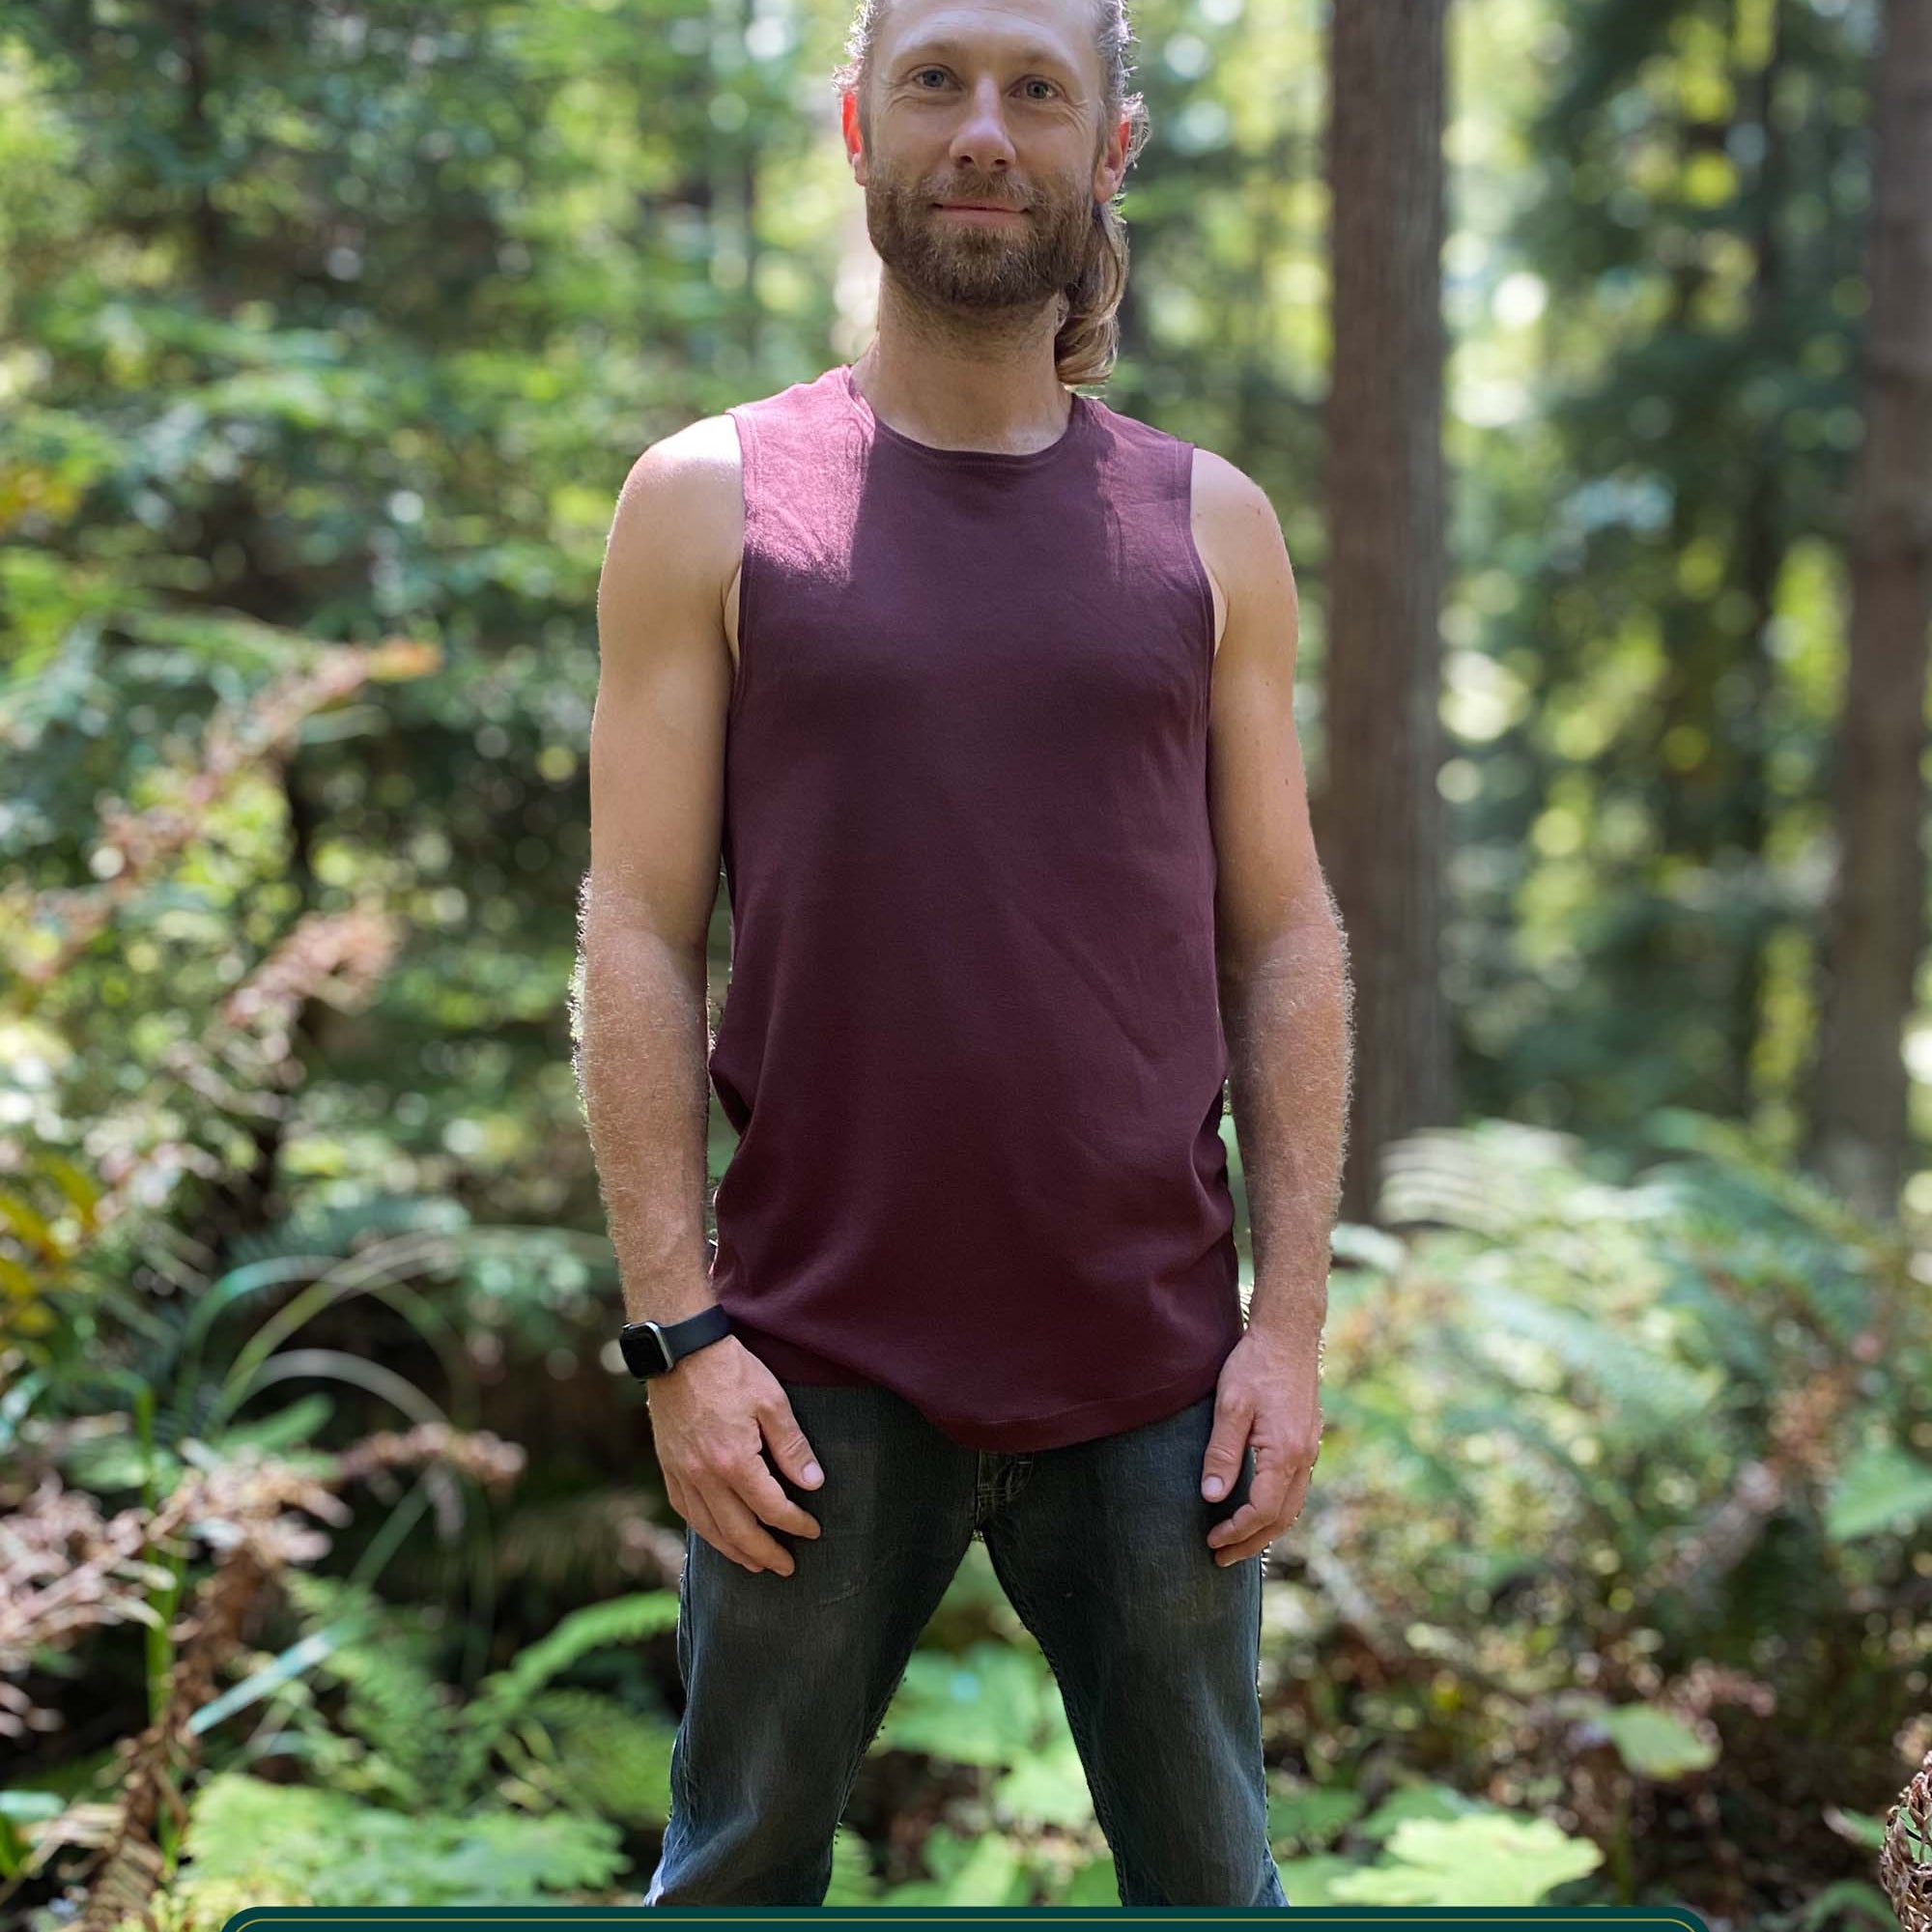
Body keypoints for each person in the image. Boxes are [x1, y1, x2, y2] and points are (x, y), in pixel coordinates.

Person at [576, 0, 1352, 1903]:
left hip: (1157, 1372)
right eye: (935, 81)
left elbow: (1283, 934)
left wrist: (1290, 1323)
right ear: (855, 122)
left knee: (1214, 1896)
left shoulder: (1209, 528)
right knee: (734, 1881)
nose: (981, 132)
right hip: (810, 1370)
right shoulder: (711, 501)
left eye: (1034, 90)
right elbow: (639, 930)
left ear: (1114, 146)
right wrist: (679, 1331)